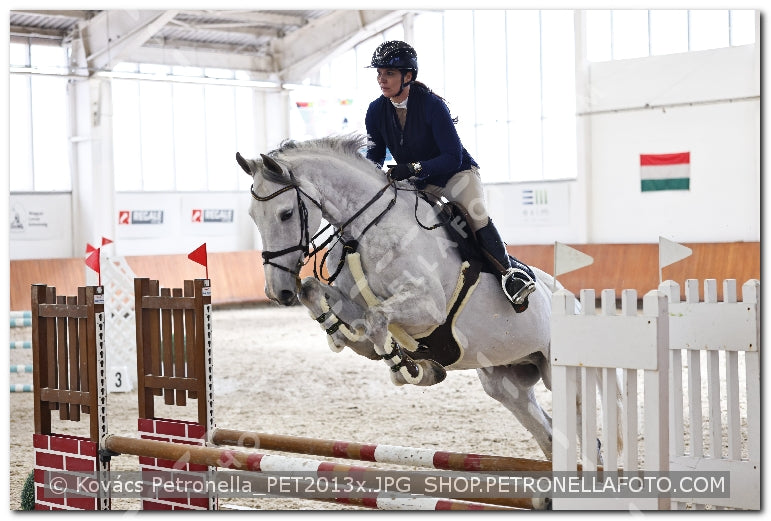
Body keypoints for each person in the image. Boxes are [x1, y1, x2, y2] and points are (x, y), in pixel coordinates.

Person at [364, 40, 536, 311]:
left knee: (476, 216)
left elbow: (451, 157)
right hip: (420, 182)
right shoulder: (376, 110)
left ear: (408, 76)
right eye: (379, 73)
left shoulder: (431, 105)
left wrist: (413, 168)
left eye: (389, 74)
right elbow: (375, 155)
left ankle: (510, 276)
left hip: (457, 174)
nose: (381, 80)